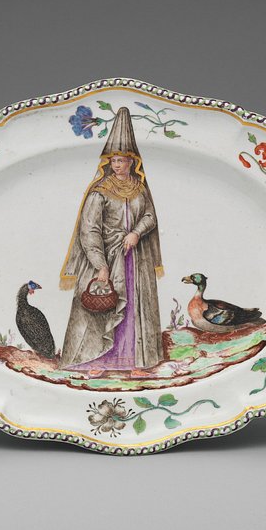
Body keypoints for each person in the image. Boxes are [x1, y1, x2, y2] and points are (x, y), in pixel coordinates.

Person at [59, 107, 164, 372]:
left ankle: (135, 361)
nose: (117, 165)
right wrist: (101, 265)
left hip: (135, 262)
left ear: (132, 162)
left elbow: (150, 216)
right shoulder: (100, 191)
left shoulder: (140, 188)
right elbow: (89, 230)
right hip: (105, 259)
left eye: (122, 160)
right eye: (113, 160)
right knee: (101, 309)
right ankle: (97, 361)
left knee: (134, 310)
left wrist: (136, 232)